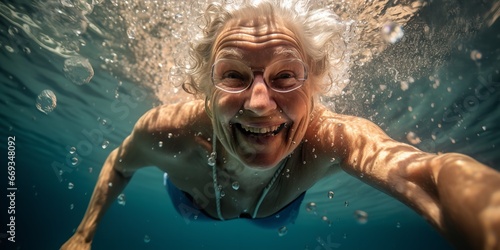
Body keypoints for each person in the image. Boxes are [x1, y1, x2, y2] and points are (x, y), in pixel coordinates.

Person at [62, 1, 500, 249]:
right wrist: (83, 236)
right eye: (233, 74)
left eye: (285, 75)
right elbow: (120, 165)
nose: (258, 103)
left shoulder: (331, 137)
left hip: (278, 212)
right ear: (204, 87)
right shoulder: (168, 132)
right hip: (190, 200)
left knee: (272, 221)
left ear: (316, 84)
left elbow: (429, 176)